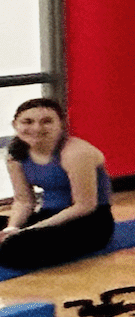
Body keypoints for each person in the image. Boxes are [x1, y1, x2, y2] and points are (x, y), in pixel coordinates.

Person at [0, 98, 115, 272]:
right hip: (48, 216)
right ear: (15, 124)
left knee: (14, 250)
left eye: (47, 122)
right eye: (28, 122)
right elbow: (24, 201)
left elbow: (85, 206)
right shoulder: (16, 155)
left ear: (61, 124)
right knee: (10, 238)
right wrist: (11, 228)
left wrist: (28, 231)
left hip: (89, 222)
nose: (37, 128)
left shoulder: (76, 153)